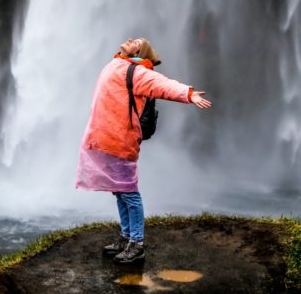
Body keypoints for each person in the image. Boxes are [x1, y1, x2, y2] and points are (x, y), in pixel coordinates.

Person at [75, 37, 212, 264]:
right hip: (105, 138)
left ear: (141, 52)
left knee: (129, 192)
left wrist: (188, 94)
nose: (130, 39)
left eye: (136, 41)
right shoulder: (118, 64)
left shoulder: (138, 73)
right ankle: (126, 237)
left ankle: (136, 245)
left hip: (121, 140)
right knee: (118, 190)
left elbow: (164, 85)